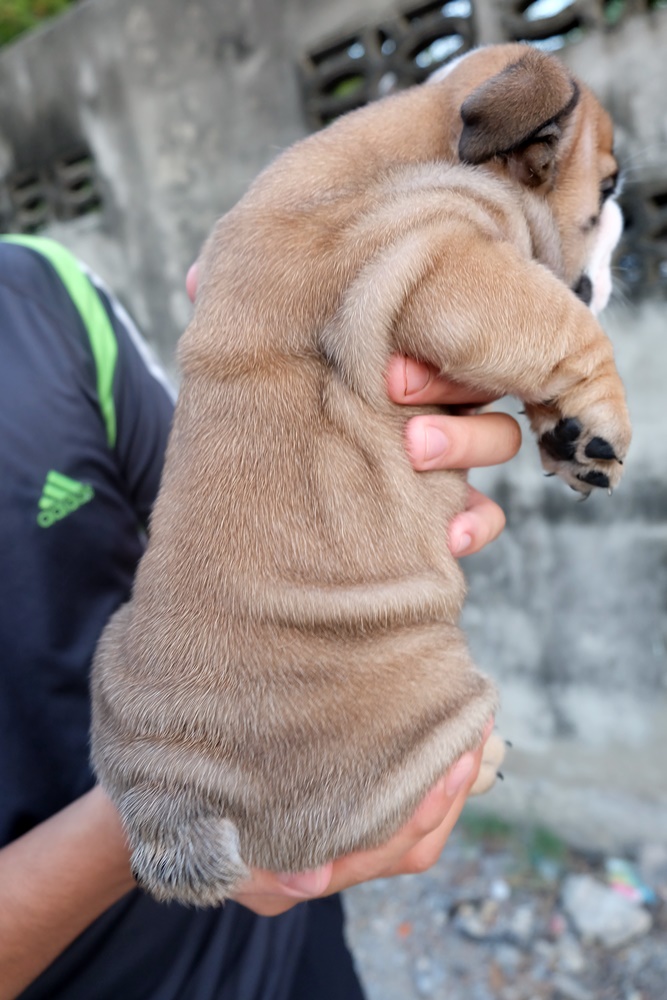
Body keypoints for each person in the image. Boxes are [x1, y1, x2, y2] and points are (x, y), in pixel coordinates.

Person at [0, 236, 521, 1000]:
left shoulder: (41, 291)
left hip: (285, 945)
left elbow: (222, 531)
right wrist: (181, 800)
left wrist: (364, 443)